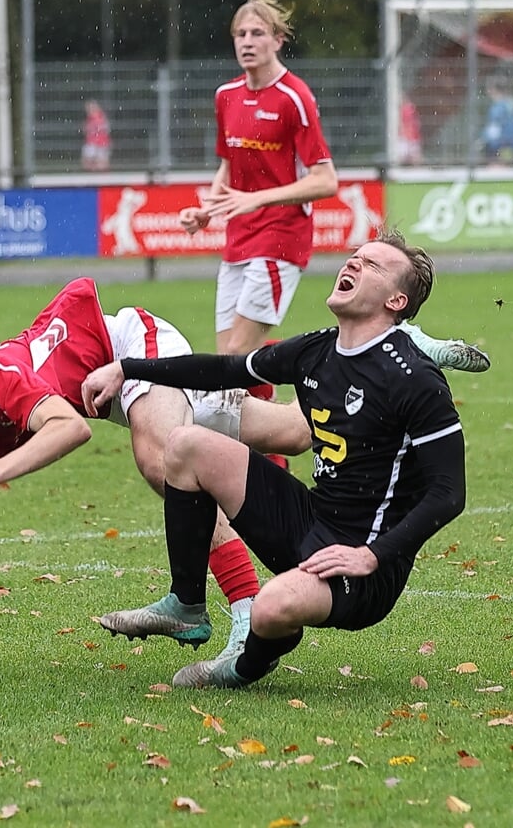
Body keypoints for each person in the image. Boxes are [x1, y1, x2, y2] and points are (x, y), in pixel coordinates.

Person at [0, 278, 320, 677]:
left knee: (165, 464)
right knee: (296, 433)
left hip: (131, 349)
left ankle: (235, 612)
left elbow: (70, 428)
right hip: (113, 397)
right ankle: (330, 377)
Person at [85, 231, 466, 690]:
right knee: (186, 445)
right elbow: (224, 371)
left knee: (270, 607)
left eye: (373, 266)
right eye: (355, 258)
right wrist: (128, 367)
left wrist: (373, 555)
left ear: (396, 301)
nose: (354, 265)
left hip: (364, 568)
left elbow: (449, 493)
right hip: (310, 519)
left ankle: (245, 667)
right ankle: (187, 604)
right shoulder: (317, 351)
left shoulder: (416, 380)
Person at [180, 0, 491, 380]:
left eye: (257, 33)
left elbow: (325, 180)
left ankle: (403, 345)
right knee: (233, 363)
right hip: (238, 236)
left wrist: (255, 199)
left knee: (234, 357)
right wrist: (206, 210)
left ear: (278, 39)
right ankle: (265, 439)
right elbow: (229, 163)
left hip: (280, 236)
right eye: (240, 34)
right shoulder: (226, 96)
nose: (247, 41)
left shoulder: (295, 97)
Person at [480, 81, 513, 163]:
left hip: (499, 142)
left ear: (495, 90)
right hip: (510, 141)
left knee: (498, 166)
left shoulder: (498, 107)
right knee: (505, 164)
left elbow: (494, 126)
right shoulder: (510, 103)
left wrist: (484, 138)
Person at [81, 99, 112, 170]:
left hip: (100, 145)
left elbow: (104, 131)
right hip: (94, 144)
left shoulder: (100, 118)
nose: (88, 110)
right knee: (90, 163)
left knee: (100, 164)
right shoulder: (90, 119)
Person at [395, 97, 423, 166]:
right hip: (405, 138)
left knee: (413, 156)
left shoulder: (410, 109)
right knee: (402, 156)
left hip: (411, 138)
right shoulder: (406, 109)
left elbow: (414, 124)